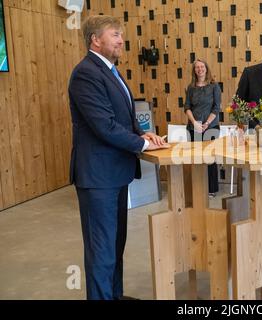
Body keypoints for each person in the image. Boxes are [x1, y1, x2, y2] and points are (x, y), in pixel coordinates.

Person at [68, 15, 169, 300]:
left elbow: (123, 115)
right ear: (95, 40)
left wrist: (143, 133)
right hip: (98, 177)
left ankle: (114, 295)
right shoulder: (85, 73)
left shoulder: (110, 70)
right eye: (115, 34)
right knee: (102, 250)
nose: (121, 40)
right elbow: (104, 125)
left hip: (115, 174)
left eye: (121, 35)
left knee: (115, 245)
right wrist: (142, 145)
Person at [184, 59, 221, 197]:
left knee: (210, 158)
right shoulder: (191, 87)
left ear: (206, 68)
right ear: (194, 70)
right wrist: (194, 123)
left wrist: (206, 124)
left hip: (210, 127)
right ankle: (198, 188)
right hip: (194, 127)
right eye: (197, 67)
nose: (199, 69)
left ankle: (211, 189)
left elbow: (217, 108)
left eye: (202, 66)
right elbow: (187, 107)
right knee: (196, 158)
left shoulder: (214, 86)